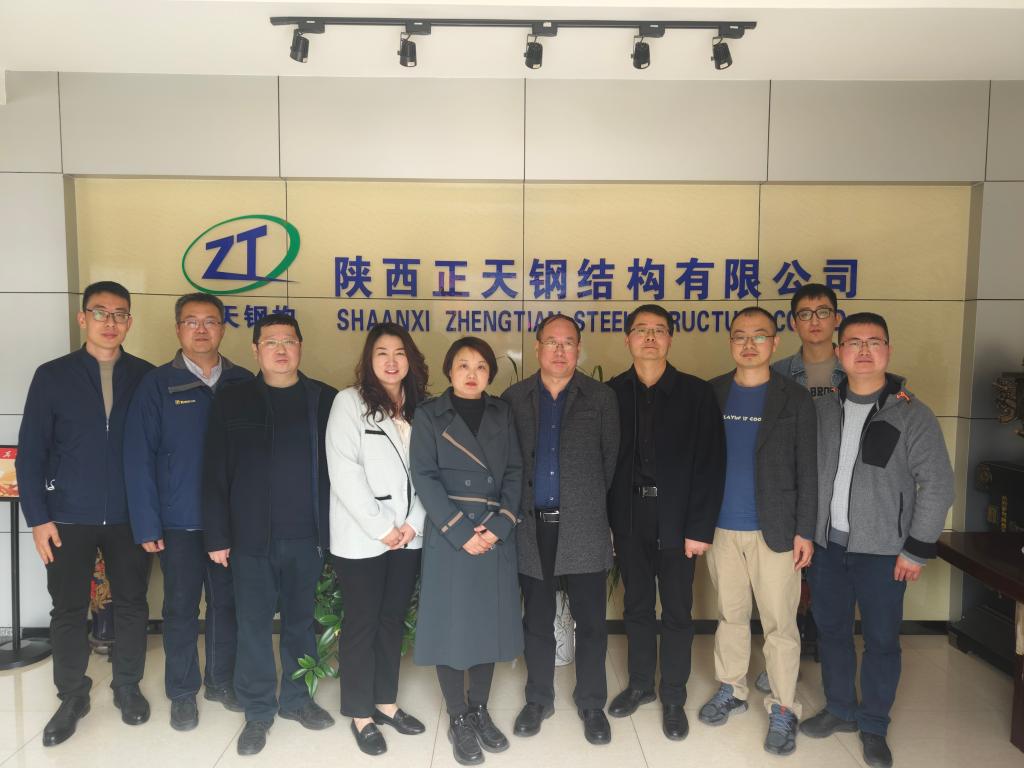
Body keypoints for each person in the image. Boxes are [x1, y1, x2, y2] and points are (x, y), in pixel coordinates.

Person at [799, 312, 953, 768]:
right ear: (839, 352)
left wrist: (916, 549)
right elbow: (806, 474)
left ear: (888, 350)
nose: (863, 351)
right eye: (854, 342)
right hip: (827, 548)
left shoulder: (912, 413)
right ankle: (840, 708)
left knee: (882, 640)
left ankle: (874, 724)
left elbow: (938, 485)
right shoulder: (822, 408)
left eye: (874, 342)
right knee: (832, 632)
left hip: (884, 552)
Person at [16, 281, 154, 746]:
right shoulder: (53, 375)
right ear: (83, 318)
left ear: (129, 321)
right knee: (68, 608)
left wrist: (153, 516)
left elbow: (157, 451)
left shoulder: (146, 376)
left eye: (119, 314)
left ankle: (127, 686)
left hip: (131, 516)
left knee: (133, 603)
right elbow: (31, 452)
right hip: (66, 516)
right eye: (100, 312)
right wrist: (38, 518)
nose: (110, 322)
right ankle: (72, 695)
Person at [202, 313, 337, 756]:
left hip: (308, 537)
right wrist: (217, 536)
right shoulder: (233, 399)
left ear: (301, 347)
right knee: (254, 626)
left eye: (289, 341)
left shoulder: (324, 400)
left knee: (301, 623)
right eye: (271, 342)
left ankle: (297, 701)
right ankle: (258, 710)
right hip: (250, 539)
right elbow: (214, 470)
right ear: (255, 350)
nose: (281, 349)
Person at [124, 293, 252, 731]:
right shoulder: (157, 384)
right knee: (179, 607)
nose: (201, 329)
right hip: (177, 521)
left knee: (226, 604)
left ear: (223, 328)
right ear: (178, 328)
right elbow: (138, 457)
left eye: (210, 321)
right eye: (191, 321)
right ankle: (182, 693)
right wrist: (147, 522)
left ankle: (220, 681)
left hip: (231, 524)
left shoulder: (242, 382)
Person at [699, 306, 817, 756]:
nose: (749, 344)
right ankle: (732, 687)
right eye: (740, 336)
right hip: (721, 527)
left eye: (759, 336)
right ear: (731, 342)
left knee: (779, 623)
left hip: (778, 530)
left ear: (775, 342)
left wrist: (804, 530)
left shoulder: (794, 398)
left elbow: (808, 469)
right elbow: (698, 462)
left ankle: (784, 707)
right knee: (730, 615)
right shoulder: (712, 393)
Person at [605, 304, 726, 741]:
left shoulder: (696, 394)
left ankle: (673, 694)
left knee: (677, 609)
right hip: (628, 517)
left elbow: (711, 465)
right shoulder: (611, 393)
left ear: (670, 338)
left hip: (678, 519)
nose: (650, 337)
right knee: (636, 605)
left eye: (659, 330)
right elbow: (600, 465)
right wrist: (608, 525)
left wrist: (699, 528)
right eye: (641, 330)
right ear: (628, 339)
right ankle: (641, 685)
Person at [502, 314, 620, 745]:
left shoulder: (600, 398)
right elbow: (507, 461)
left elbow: (610, 462)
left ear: (578, 349)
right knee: (536, 619)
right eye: (551, 342)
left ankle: (591, 703)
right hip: (531, 526)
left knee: (591, 622)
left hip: (585, 526)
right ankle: (538, 700)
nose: (559, 350)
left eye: (568, 342)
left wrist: (590, 509)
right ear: (537, 347)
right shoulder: (514, 398)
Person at [410, 337, 524, 766]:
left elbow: (515, 472)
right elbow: (424, 476)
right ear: (449, 370)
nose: (472, 373)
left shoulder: (502, 412)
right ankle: (458, 716)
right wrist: (460, 531)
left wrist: (498, 527)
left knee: (486, 627)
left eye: (480, 366)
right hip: (450, 534)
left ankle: (479, 709)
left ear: (490, 374)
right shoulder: (429, 414)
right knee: (450, 627)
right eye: (463, 364)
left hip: (492, 533)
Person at [325, 323, 430, 756]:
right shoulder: (349, 402)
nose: (391, 361)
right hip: (363, 537)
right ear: (369, 360)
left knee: (391, 621)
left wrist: (413, 524)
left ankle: (385, 703)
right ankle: (360, 713)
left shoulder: (422, 408)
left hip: (408, 536)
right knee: (362, 622)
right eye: (382, 352)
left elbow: (430, 473)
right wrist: (382, 526)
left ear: (411, 359)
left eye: (399, 352)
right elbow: (344, 471)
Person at [772, 283, 845, 399]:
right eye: (805, 314)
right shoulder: (777, 372)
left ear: (837, 319)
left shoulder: (854, 368)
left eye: (823, 312)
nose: (814, 322)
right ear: (794, 324)